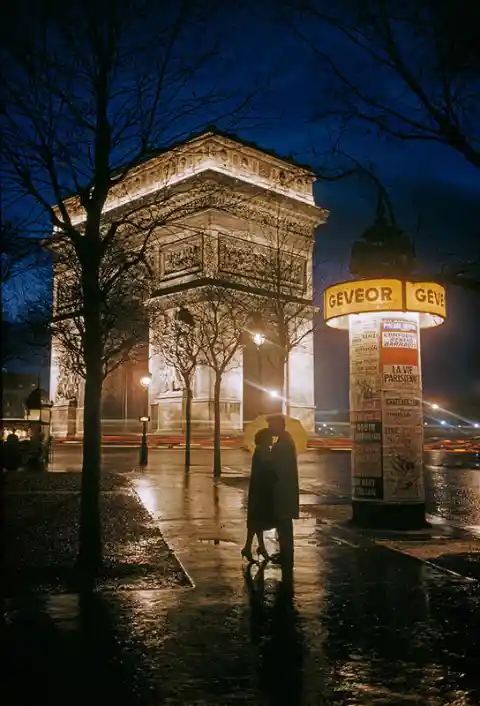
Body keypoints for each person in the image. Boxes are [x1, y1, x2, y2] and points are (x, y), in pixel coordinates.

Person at [267, 415, 299, 573]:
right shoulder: (285, 440)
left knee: (284, 521)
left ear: (279, 426)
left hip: (282, 487)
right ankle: (285, 553)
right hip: (284, 487)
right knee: (284, 522)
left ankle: (286, 555)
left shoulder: (283, 444)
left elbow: (276, 467)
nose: (269, 428)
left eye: (271, 425)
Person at [241, 427, 276, 563]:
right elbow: (268, 470)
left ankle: (251, 547)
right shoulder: (264, 452)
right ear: (265, 438)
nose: (272, 439)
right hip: (262, 489)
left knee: (256, 520)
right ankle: (254, 548)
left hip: (257, 488)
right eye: (270, 437)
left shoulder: (260, 450)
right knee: (258, 519)